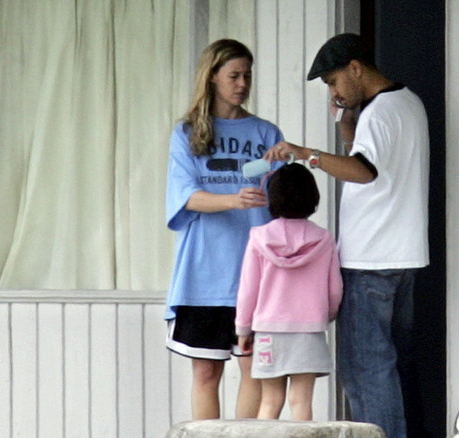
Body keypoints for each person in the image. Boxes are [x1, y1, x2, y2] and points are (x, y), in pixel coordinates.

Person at [265, 33, 429, 438]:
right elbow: (361, 151)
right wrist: (343, 117)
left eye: (334, 82)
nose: (334, 91)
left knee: (367, 369)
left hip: (370, 260)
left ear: (356, 68)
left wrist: (308, 155)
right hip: (403, 256)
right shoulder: (407, 103)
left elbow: (364, 169)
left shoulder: (381, 111)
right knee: (396, 364)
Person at [164, 38, 284, 420]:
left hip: (256, 272)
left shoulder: (266, 133)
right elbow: (185, 198)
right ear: (212, 77)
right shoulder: (186, 134)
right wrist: (235, 199)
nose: (242, 83)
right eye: (234, 75)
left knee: (254, 371)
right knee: (205, 370)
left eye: (247, 75)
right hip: (203, 272)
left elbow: (285, 201)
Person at [235, 163, 343, 421]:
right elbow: (335, 288)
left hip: (269, 332)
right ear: (313, 198)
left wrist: (243, 329)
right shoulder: (324, 239)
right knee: (301, 400)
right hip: (309, 331)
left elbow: (248, 287)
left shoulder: (259, 237)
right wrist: (324, 315)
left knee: (270, 402)